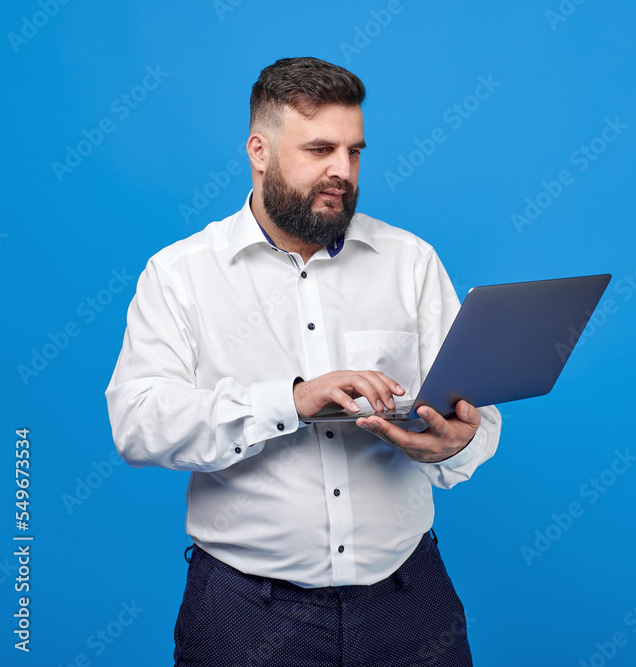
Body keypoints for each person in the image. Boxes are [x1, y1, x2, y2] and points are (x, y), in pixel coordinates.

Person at [105, 56, 500, 666]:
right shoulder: (181, 274)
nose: (342, 171)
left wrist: (454, 444)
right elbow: (137, 424)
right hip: (243, 611)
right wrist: (289, 400)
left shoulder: (411, 261)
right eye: (320, 149)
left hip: (410, 600)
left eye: (354, 151)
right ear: (259, 151)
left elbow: (478, 413)